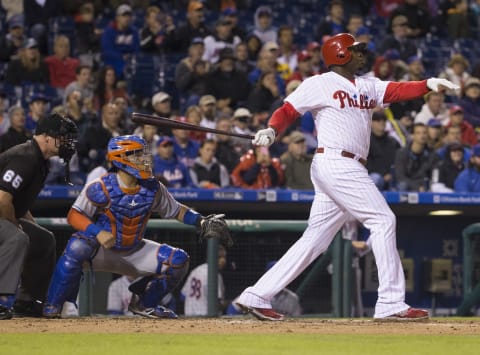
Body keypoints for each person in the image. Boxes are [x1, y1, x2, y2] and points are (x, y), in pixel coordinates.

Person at [233, 33, 459, 321]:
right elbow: (288, 110)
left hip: (344, 165)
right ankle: (390, 302)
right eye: (356, 51)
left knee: (315, 239)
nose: (363, 55)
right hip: (337, 162)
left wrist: (427, 84)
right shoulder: (319, 83)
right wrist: (273, 129)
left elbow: (398, 90)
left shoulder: (367, 85)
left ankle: (257, 295)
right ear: (340, 54)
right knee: (383, 219)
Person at [42, 135, 230, 319]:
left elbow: (177, 211)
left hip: (133, 251)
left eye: (144, 154)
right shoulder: (100, 186)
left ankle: (145, 304)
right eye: (137, 154)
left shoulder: (153, 187)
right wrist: (97, 232)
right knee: (77, 246)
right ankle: (52, 305)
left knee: (179, 260)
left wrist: (201, 221)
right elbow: (74, 215)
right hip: (102, 250)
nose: (145, 159)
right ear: (120, 158)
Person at [0, 113, 78, 320]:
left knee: (42, 240)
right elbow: (2, 199)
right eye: (62, 137)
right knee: (17, 237)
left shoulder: (40, 161)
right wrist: (16, 226)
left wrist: (29, 226)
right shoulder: (25, 157)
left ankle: (28, 301)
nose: (67, 143)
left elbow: (18, 204)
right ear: (46, 136)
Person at [180, 245, 227, 316]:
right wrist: (229, 304)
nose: (223, 260)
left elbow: (182, 296)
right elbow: (216, 305)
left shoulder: (195, 270)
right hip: (205, 318)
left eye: (224, 257)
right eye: (219, 257)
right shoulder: (215, 274)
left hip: (188, 316)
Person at [394, 123, 439, 192]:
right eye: (418, 133)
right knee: (402, 185)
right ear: (412, 135)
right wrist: (417, 187)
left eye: (424, 133)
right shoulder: (402, 153)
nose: (422, 136)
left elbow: (434, 175)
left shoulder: (432, 154)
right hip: (407, 185)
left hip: (424, 185)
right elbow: (400, 177)